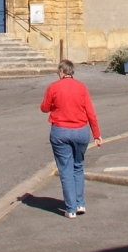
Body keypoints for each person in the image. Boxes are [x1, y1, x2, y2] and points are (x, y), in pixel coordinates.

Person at [40, 59, 102, 218]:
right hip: (81, 131)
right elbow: (91, 113)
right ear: (71, 72)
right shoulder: (81, 87)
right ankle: (80, 203)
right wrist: (96, 134)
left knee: (65, 169)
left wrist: (54, 105)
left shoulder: (54, 87)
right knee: (78, 166)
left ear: (61, 72)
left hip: (60, 131)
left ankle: (71, 208)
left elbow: (45, 108)